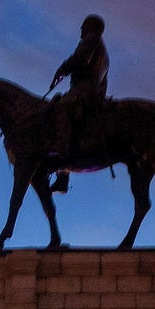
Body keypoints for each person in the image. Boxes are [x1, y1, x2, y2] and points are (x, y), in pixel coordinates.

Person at [48, 13, 110, 194]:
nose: (81, 29)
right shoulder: (104, 52)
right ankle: (62, 176)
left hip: (83, 91)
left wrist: (62, 69)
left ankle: (61, 151)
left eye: (84, 25)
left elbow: (80, 58)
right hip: (91, 92)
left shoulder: (92, 39)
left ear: (92, 27)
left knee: (60, 109)